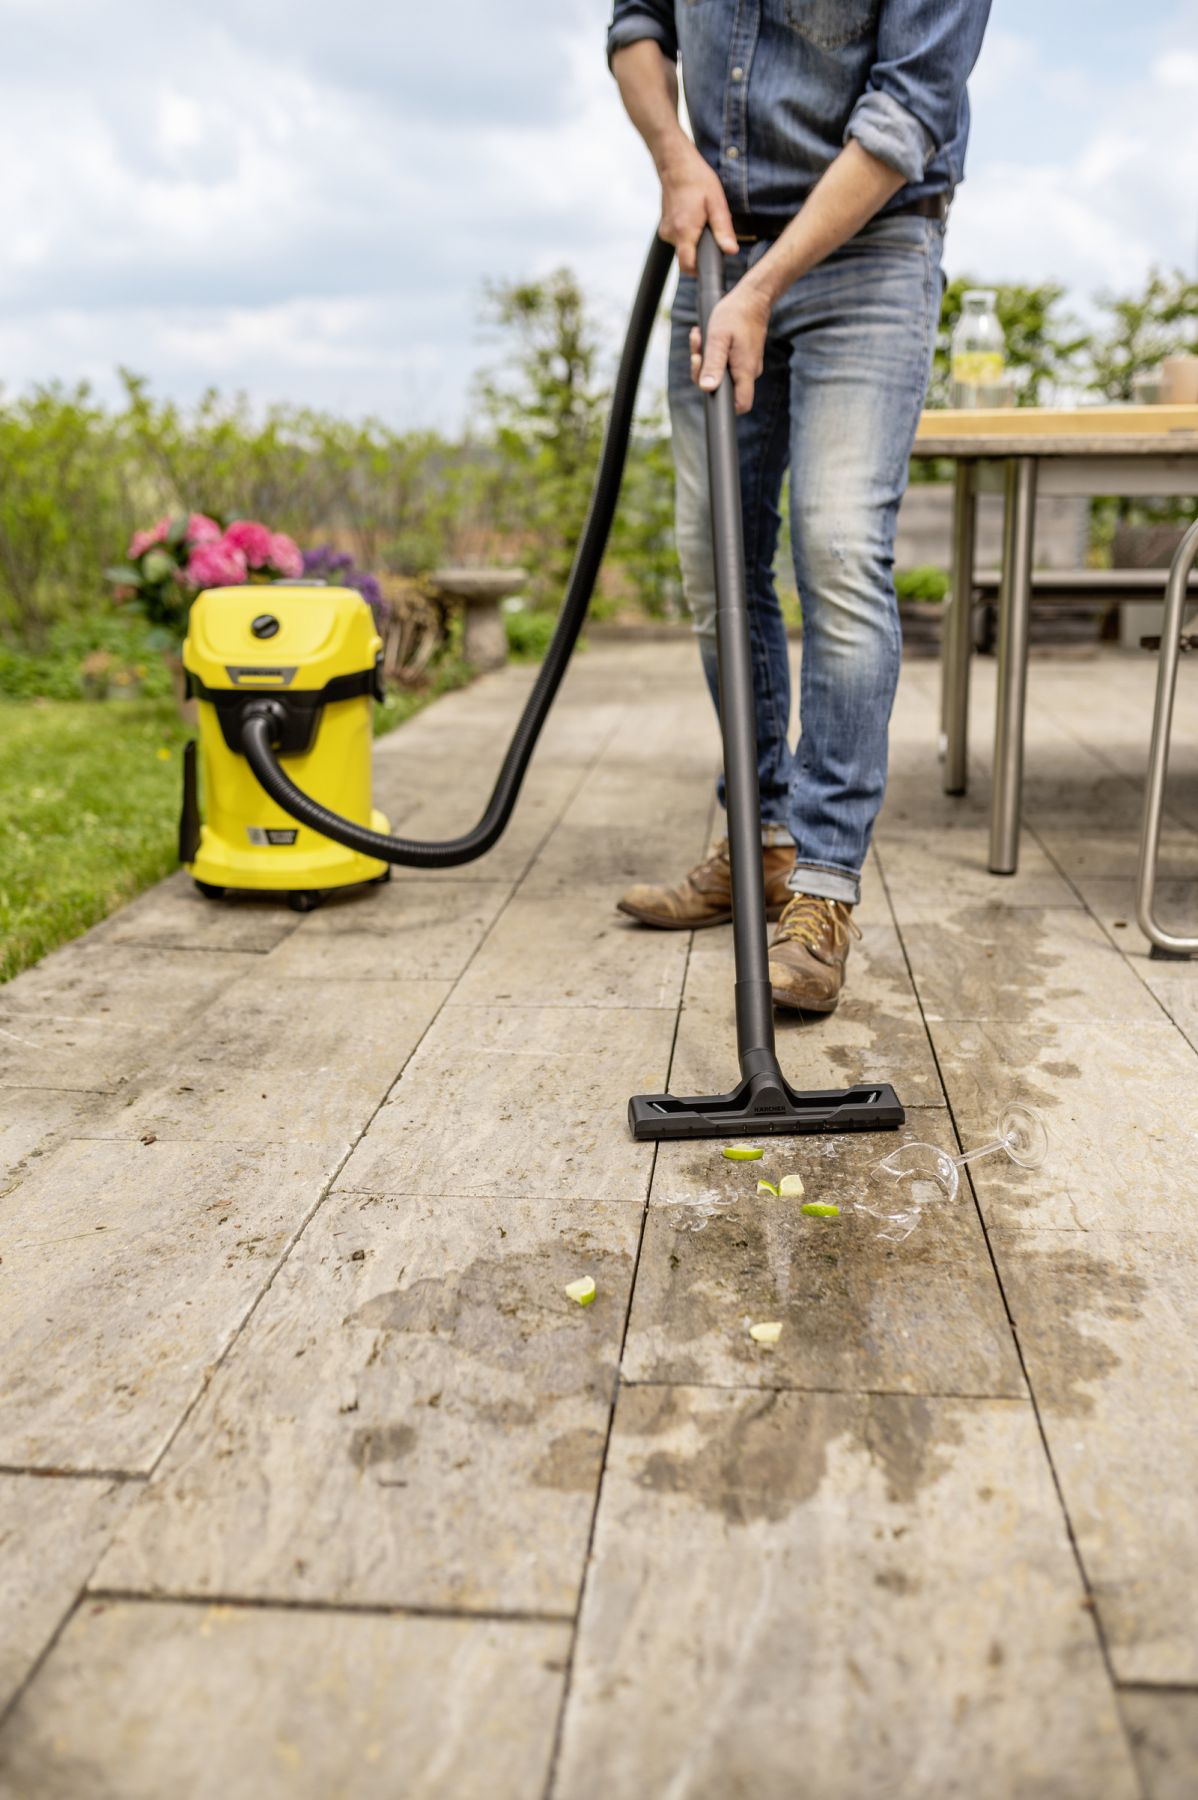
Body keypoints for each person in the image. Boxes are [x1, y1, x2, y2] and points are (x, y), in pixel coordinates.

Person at [609, 0, 990, 1012]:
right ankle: (762, 843)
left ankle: (821, 889)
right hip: (719, 249)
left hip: (871, 252)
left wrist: (762, 286)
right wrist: (674, 157)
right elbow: (636, 22)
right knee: (714, 562)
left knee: (838, 549)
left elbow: (908, 113)